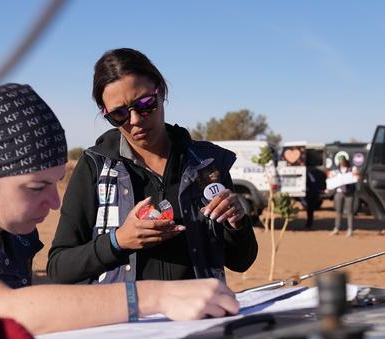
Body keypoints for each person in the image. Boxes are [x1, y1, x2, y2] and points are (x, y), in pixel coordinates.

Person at [0, 83, 239, 339]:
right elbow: (3, 312)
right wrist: (158, 297)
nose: (54, 202)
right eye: (37, 187)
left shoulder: (14, 234)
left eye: (56, 183)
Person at [46, 48, 258, 285]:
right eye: (119, 114)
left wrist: (237, 222)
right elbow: (59, 268)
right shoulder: (95, 166)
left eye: (145, 103)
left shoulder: (205, 164)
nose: (135, 120)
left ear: (161, 91)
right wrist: (118, 242)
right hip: (128, 320)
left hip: (200, 317)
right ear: (105, 114)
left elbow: (242, 261)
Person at [329, 153, 357, 237]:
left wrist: (355, 175)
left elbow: (355, 178)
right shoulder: (336, 170)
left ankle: (350, 229)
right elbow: (331, 179)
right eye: (340, 161)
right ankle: (337, 228)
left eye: (343, 161)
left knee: (350, 212)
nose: (342, 163)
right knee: (338, 211)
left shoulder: (351, 169)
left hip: (349, 193)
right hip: (339, 192)